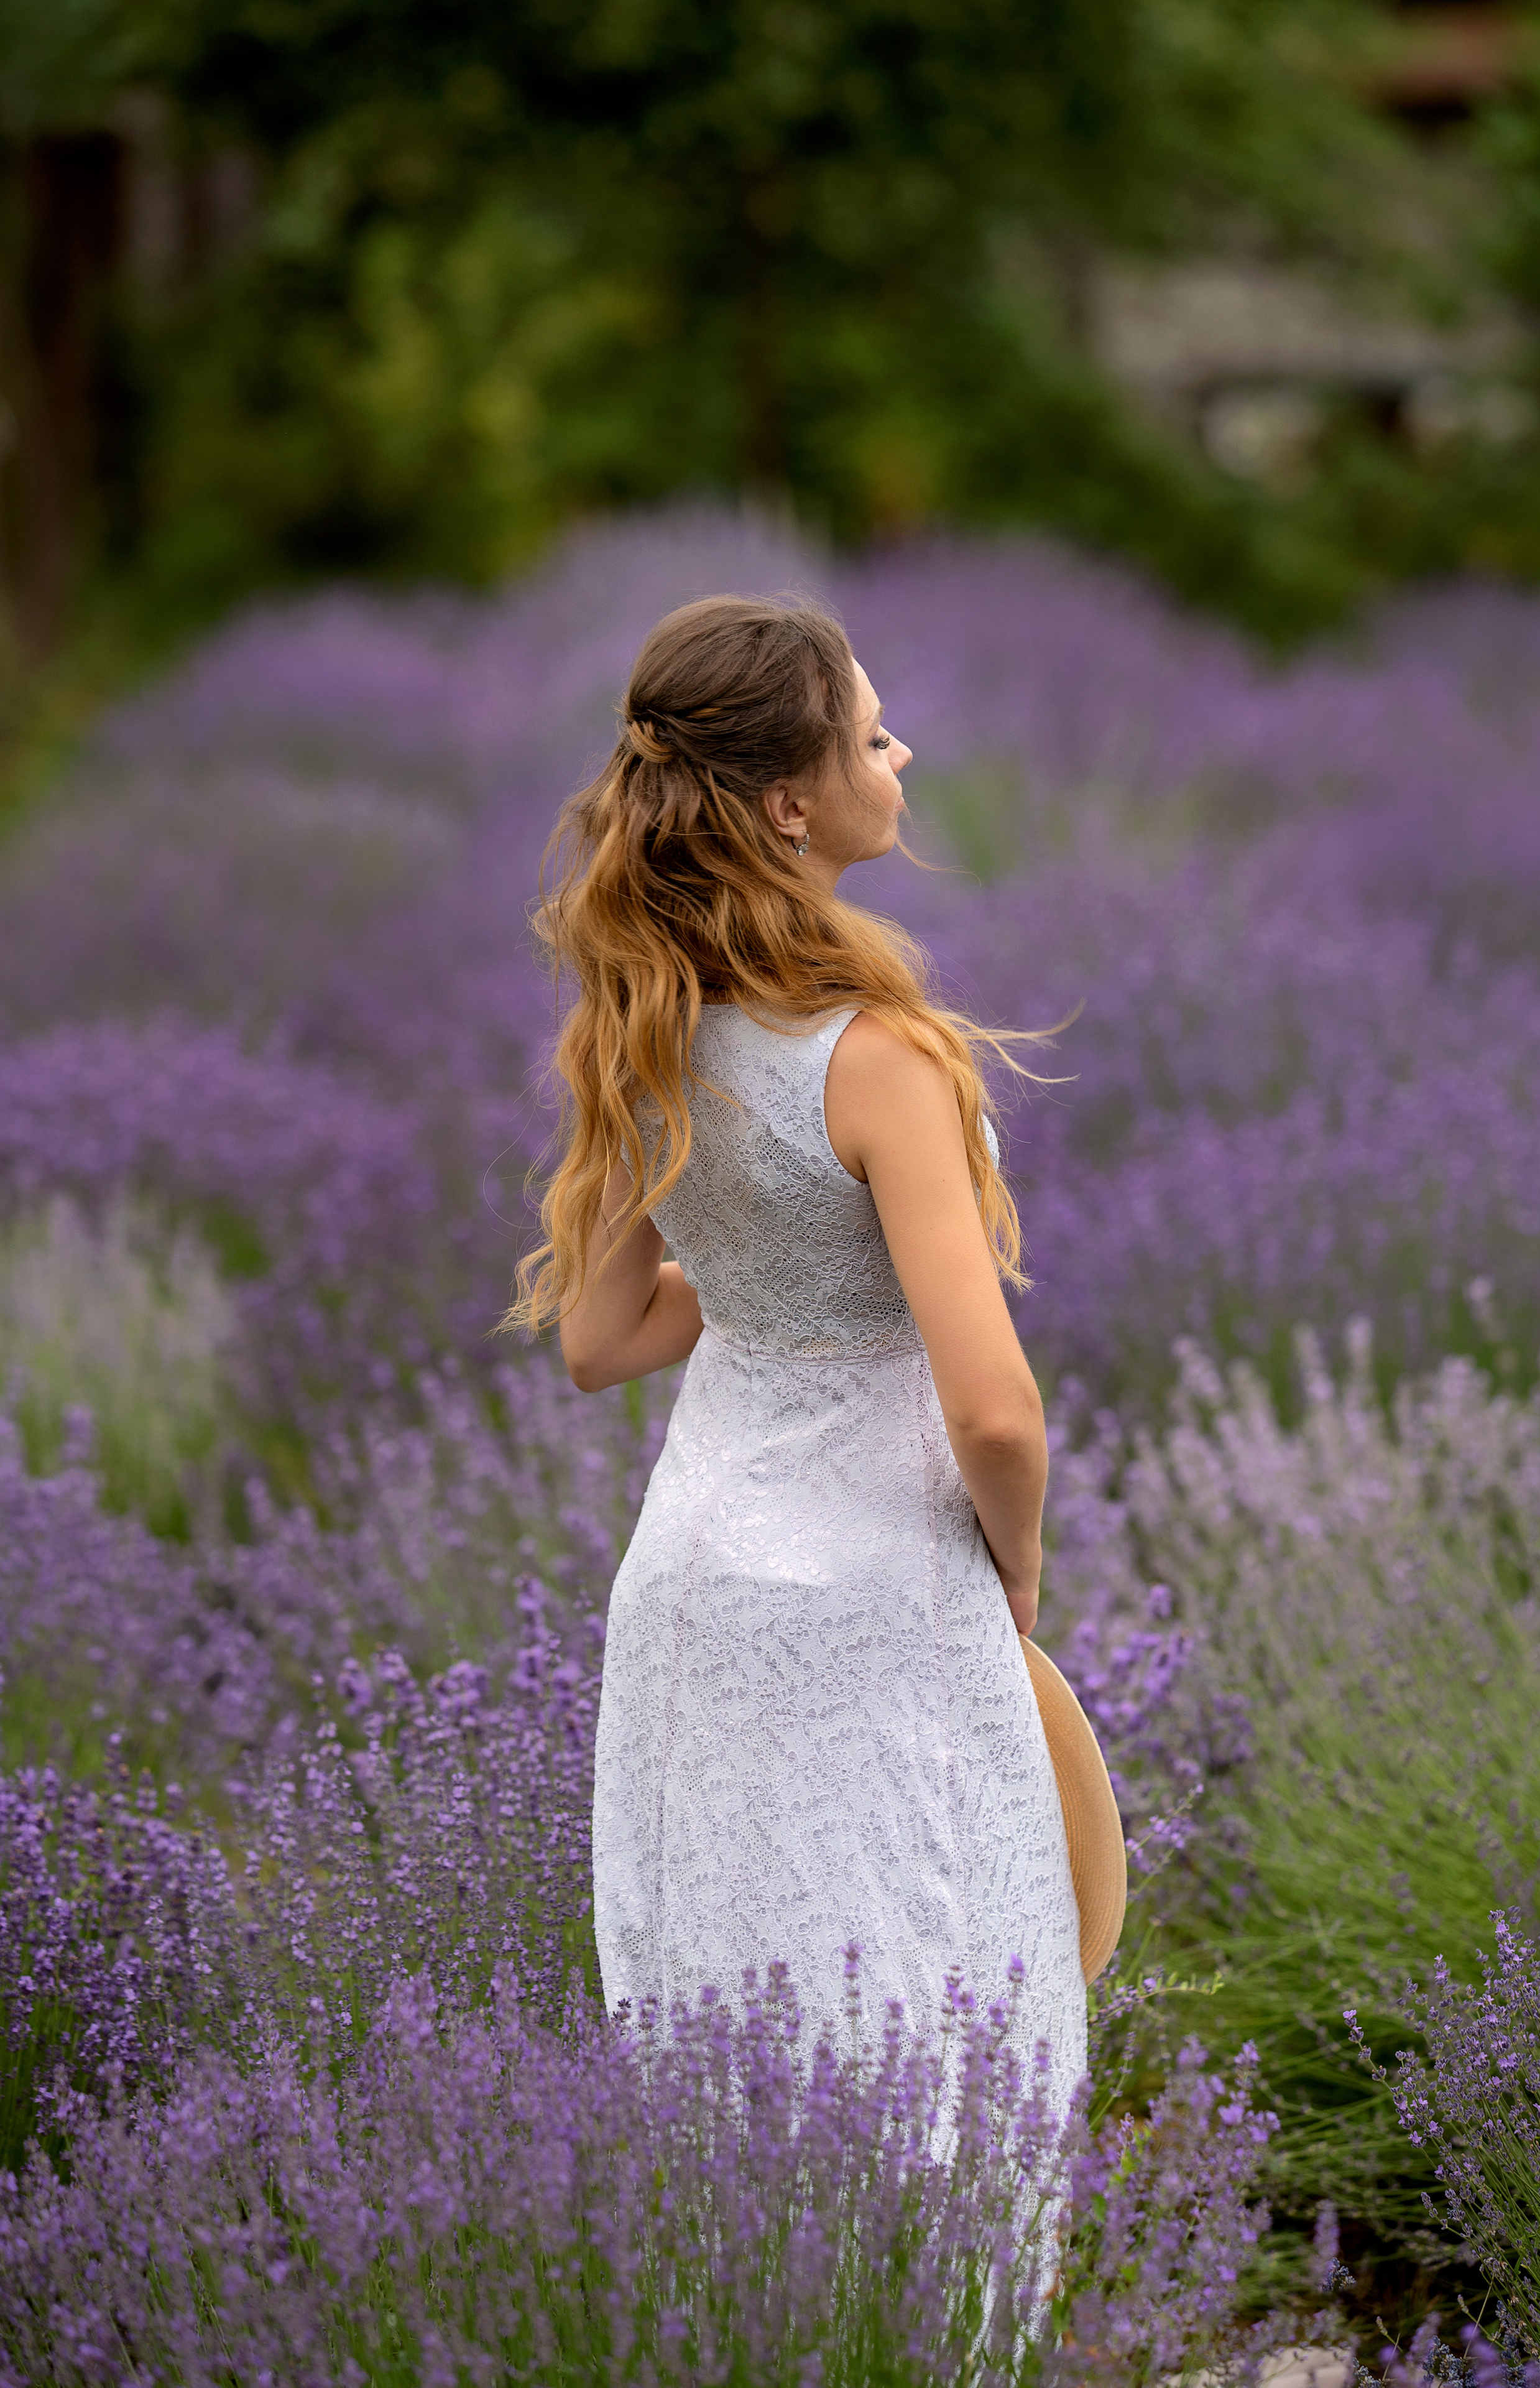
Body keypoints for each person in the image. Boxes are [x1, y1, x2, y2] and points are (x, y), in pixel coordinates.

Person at [507, 593, 1085, 2085]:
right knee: (941, 2012)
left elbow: (601, 1337)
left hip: (690, 1593)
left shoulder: (637, 1020)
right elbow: (997, 1417)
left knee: (727, 2042)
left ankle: (765, 2331)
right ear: (788, 806)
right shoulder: (878, 1056)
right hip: (874, 1596)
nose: (903, 753)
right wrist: (1011, 1562)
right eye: (873, 736)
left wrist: (782, 1272)